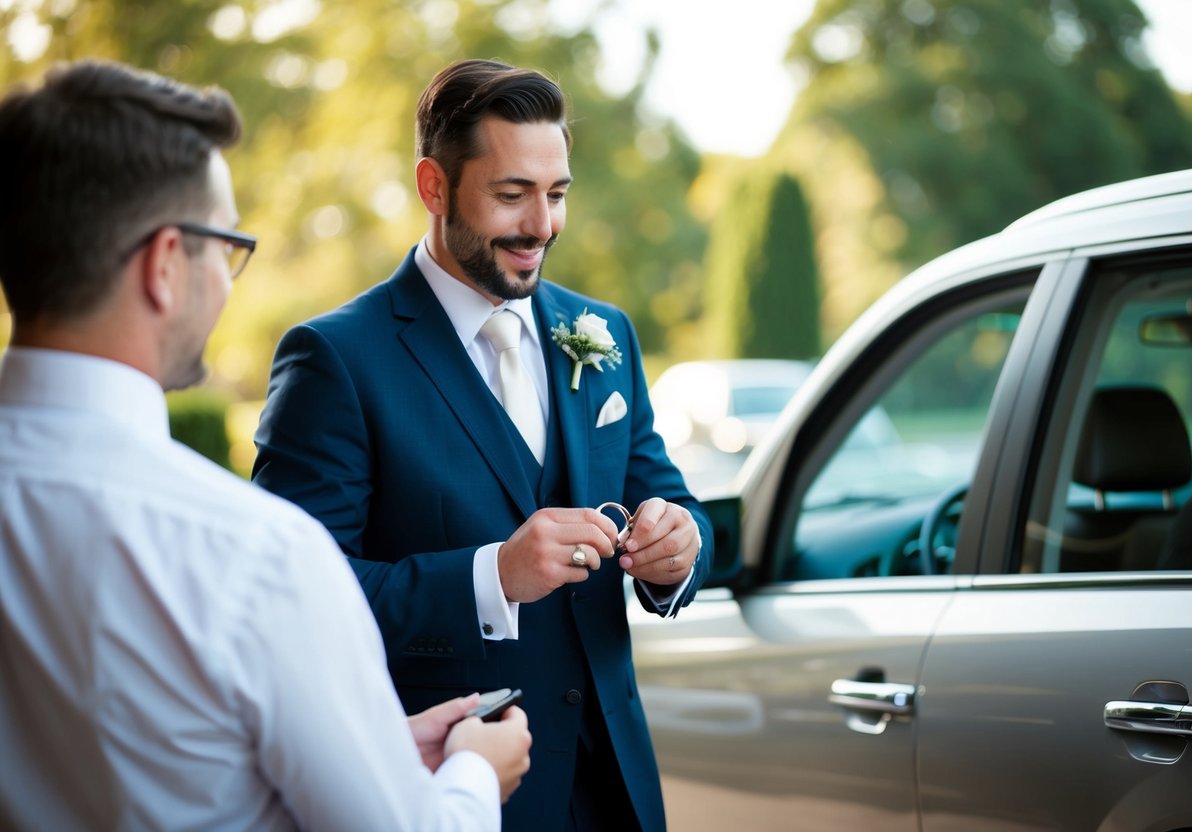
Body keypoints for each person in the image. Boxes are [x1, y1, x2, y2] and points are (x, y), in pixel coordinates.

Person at [0, 59, 531, 831]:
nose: (227, 280)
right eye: (224, 246)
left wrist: (376, 749)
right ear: (163, 266)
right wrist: (473, 774)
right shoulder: (252, 554)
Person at [252, 58, 714, 831]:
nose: (543, 225)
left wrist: (681, 546)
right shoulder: (336, 359)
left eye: (557, 193)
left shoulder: (606, 334)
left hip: (617, 792)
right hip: (451, 792)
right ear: (434, 187)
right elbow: (294, 600)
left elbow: (668, 495)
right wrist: (491, 575)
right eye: (512, 195)